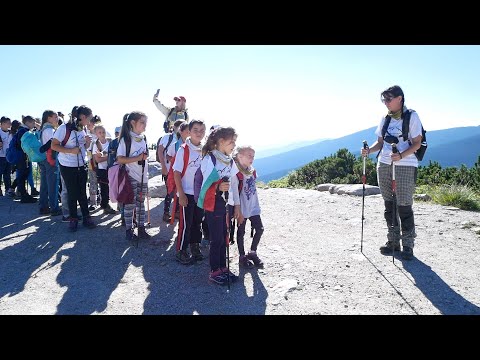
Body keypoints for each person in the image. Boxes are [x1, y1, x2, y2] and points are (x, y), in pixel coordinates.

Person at [361, 85, 423, 260]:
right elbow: (380, 143)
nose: (386, 103)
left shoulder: (412, 116)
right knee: (389, 204)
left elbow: (417, 143)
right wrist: (369, 151)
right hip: (385, 164)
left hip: (406, 164)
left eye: (389, 99)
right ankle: (393, 241)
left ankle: (408, 245)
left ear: (399, 99)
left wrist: (401, 155)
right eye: (384, 100)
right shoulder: (385, 118)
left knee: (404, 204)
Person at [197, 127, 239, 285]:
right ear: (221, 142)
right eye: (231, 141)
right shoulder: (210, 159)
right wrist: (217, 187)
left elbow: (233, 183)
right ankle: (215, 271)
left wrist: (235, 205)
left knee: (224, 236)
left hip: (224, 204)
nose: (234, 144)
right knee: (216, 239)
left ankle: (223, 268)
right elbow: (205, 185)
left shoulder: (229, 159)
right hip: (213, 204)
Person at [51, 105, 96, 232]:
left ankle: (86, 217)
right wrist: (70, 150)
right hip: (67, 165)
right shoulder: (64, 128)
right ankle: (73, 218)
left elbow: (83, 148)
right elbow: (54, 146)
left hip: (81, 164)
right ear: (83, 117)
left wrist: (87, 143)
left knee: (82, 191)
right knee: (72, 192)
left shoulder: (83, 129)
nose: (91, 121)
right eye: (90, 118)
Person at [172, 120, 206, 264]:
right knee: (186, 223)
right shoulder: (184, 150)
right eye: (195, 130)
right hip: (187, 193)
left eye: (202, 130)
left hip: (200, 194)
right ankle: (181, 250)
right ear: (189, 132)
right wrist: (181, 194)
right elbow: (176, 173)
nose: (199, 133)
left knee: (197, 221)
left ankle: (195, 246)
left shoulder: (205, 150)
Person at [116, 112, 151, 242]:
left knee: (141, 204)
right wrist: (138, 158)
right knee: (130, 204)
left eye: (145, 123)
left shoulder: (143, 138)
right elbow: (120, 159)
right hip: (130, 176)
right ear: (132, 123)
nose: (145, 125)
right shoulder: (126, 139)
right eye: (142, 122)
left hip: (143, 176)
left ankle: (141, 228)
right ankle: (129, 230)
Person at [230, 145, 264, 268]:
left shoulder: (251, 170)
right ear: (239, 156)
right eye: (249, 156)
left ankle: (252, 252)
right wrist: (236, 208)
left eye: (253, 156)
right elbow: (234, 190)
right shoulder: (235, 172)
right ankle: (242, 256)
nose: (252, 158)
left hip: (253, 205)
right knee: (241, 232)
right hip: (242, 206)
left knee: (259, 229)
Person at [156, 119, 185, 222]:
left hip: (180, 172)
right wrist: (163, 166)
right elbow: (161, 151)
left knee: (178, 191)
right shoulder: (167, 137)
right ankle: (166, 213)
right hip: (168, 170)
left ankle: (176, 212)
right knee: (170, 192)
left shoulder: (184, 140)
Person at [38, 110, 62, 216]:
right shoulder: (50, 130)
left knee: (44, 184)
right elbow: (54, 144)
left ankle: (43, 206)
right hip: (51, 159)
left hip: (43, 159)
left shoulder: (43, 129)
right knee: (53, 184)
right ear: (49, 118)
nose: (57, 119)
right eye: (55, 117)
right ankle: (54, 208)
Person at [92, 124, 116, 215]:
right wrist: (110, 157)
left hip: (111, 168)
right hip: (102, 169)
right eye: (100, 132)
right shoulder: (96, 145)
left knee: (111, 187)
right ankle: (105, 205)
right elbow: (97, 159)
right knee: (104, 188)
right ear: (96, 134)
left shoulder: (110, 142)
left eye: (103, 132)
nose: (102, 134)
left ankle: (107, 204)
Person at [0, 116, 12, 197]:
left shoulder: (11, 133)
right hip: (0, 156)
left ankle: (8, 189)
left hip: (9, 157)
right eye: (8, 123)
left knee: (7, 174)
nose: (9, 124)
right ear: (2, 124)